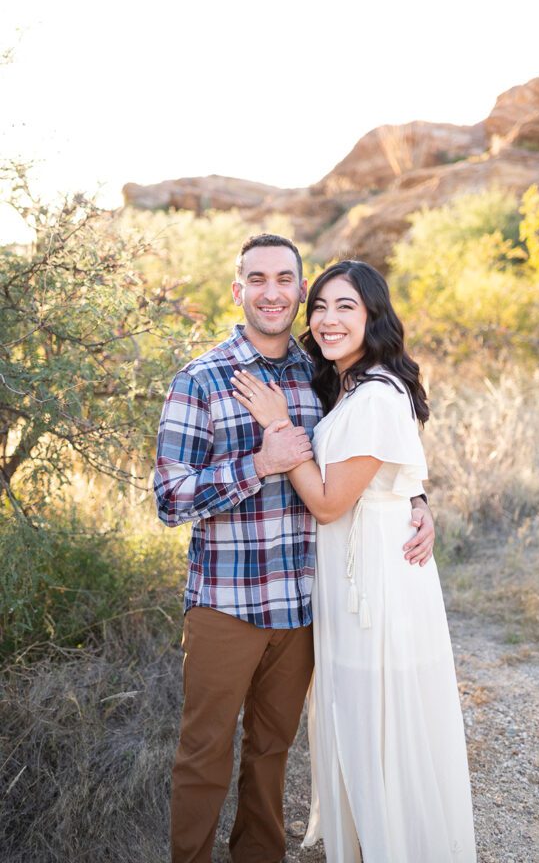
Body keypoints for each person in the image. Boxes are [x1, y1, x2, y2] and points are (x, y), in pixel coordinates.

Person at [154, 234, 436, 863]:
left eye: (286, 279)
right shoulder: (201, 380)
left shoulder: (322, 379)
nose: (272, 291)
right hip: (226, 602)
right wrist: (259, 463)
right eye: (258, 279)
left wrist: (416, 503)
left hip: (306, 607)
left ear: (300, 291)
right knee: (204, 756)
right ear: (238, 291)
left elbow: (370, 456)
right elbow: (169, 499)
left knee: (272, 752)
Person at [231, 259, 477, 863]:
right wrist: (416, 499)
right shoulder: (347, 387)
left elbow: (329, 503)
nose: (328, 319)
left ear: (373, 316)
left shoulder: (373, 394)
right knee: (367, 721)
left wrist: (279, 429)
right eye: (320, 306)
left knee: (379, 722)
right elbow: (396, 472)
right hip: (355, 579)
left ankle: (395, 846)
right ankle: (378, 840)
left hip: (374, 587)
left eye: (347, 307)